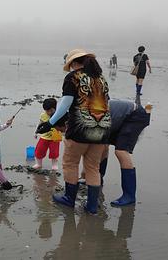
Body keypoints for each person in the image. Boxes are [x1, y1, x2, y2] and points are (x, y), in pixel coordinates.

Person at [37, 49, 110, 214]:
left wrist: (50, 123)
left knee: (70, 163)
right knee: (92, 167)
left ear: (73, 63)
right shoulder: (101, 79)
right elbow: (107, 104)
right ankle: (91, 206)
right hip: (102, 131)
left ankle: (69, 199)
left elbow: (65, 103)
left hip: (80, 129)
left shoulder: (73, 77)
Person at [92, 99, 152, 207]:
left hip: (135, 116)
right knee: (103, 145)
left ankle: (129, 196)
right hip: (122, 118)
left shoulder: (94, 117)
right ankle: (99, 177)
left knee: (121, 151)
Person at [33, 98, 63, 170]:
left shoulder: (59, 114)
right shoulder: (43, 115)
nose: (48, 112)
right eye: (46, 111)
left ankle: (54, 165)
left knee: (54, 153)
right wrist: (36, 132)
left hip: (55, 137)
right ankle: (38, 164)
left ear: (55, 108)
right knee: (39, 150)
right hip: (44, 137)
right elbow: (40, 124)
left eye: (50, 110)